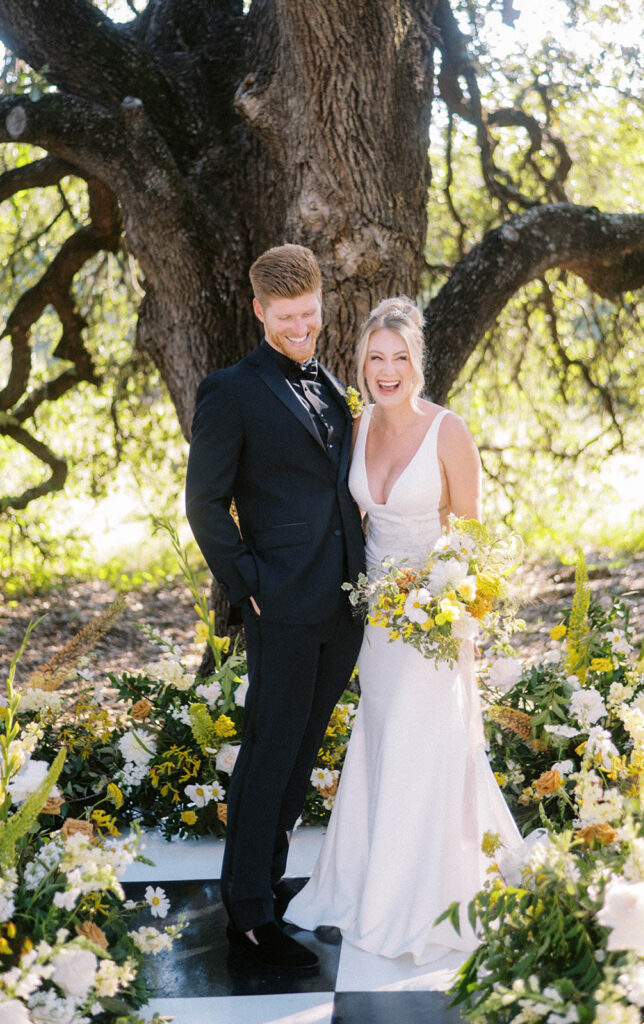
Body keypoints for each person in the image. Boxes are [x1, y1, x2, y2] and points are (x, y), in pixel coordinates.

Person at [285, 296, 522, 964]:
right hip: (375, 621)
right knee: (383, 735)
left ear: (418, 363)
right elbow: (348, 521)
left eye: (399, 358)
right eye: (375, 358)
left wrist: (452, 608)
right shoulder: (356, 427)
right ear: (361, 362)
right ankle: (368, 881)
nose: (386, 371)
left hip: (435, 621)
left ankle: (426, 895)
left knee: (429, 742)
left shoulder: (449, 431)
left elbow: (471, 536)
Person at [185, 244, 365, 969]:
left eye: (309, 315)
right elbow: (203, 504)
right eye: (286, 317)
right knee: (268, 753)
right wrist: (248, 582)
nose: (300, 328)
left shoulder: (332, 384)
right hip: (280, 604)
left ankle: (268, 883)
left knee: (300, 753)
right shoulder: (230, 390)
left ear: (321, 305)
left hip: (342, 603)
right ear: (259, 310)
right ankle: (249, 914)